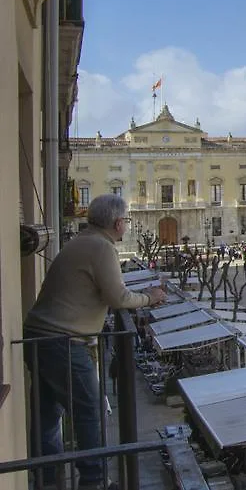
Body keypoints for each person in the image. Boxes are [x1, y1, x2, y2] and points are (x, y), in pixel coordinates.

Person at [24, 194, 168, 490]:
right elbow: (119, 298)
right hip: (63, 341)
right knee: (90, 411)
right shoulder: (102, 248)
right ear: (118, 223)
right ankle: (95, 481)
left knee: (48, 416)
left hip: (40, 337)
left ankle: (47, 478)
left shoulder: (82, 241)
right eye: (126, 221)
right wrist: (150, 298)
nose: (127, 226)